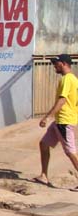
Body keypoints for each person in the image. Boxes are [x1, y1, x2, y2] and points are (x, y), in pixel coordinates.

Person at [34, 54, 78, 188]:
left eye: (56, 63)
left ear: (64, 64)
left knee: (70, 152)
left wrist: (47, 117)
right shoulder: (74, 79)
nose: (54, 66)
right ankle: (44, 175)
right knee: (44, 144)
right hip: (60, 120)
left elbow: (62, 99)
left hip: (64, 120)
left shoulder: (67, 79)